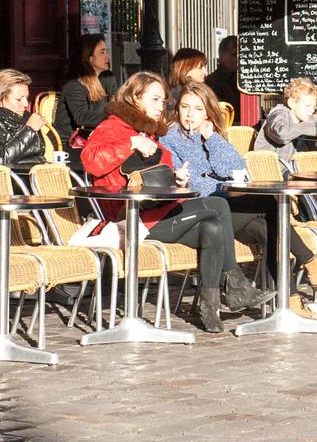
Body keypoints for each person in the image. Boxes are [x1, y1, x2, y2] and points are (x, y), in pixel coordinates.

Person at [81, 72, 269, 332]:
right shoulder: (114, 127)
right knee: (218, 205)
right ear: (135, 98)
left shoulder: (148, 131)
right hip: (131, 220)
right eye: (156, 99)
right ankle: (236, 285)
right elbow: (90, 159)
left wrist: (175, 178)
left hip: (157, 213)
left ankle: (210, 307)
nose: (163, 106)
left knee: (213, 228)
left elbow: (155, 175)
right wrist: (130, 142)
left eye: (164, 100)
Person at [162, 81, 317, 299]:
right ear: (177, 109)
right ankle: (313, 266)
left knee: (268, 228)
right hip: (200, 212)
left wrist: (212, 138)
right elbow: (190, 183)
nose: (189, 114)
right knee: (270, 205)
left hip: (225, 207)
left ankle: (290, 300)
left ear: (207, 112)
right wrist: (224, 187)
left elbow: (235, 168)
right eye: (185, 107)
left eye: (198, 109)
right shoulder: (170, 139)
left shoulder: (211, 135)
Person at [56, 33, 117, 150]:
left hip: (97, 139)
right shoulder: (73, 85)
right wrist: (113, 119)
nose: (107, 57)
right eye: (102, 52)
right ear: (89, 58)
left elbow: (117, 104)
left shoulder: (108, 79)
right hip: (71, 144)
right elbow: (81, 116)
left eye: (106, 51)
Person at [253, 77, 317, 159]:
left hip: (292, 168)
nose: (312, 110)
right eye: (308, 106)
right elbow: (282, 133)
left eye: (314, 107)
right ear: (292, 103)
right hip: (269, 168)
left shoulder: (305, 117)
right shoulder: (278, 115)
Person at [206, 34, 240, 107]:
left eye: (242, 55)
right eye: (234, 54)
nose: (239, 59)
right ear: (222, 56)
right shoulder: (212, 82)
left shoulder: (244, 80)